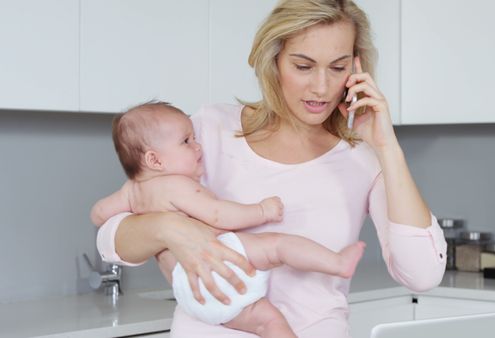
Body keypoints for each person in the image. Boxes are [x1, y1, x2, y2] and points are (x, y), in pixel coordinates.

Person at [95, 0, 447, 337]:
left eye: (338, 68)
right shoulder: (208, 132)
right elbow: (111, 240)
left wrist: (387, 147)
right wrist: (169, 228)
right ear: (273, 60)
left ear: (356, 69)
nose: (321, 87)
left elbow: (422, 274)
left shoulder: (364, 158)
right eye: (303, 66)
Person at [91, 101, 366, 337]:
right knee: (276, 247)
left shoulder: (131, 190)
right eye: (187, 142)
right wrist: (261, 210)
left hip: (196, 298)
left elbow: (100, 215)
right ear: (155, 160)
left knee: (263, 320)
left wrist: (143, 216)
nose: (197, 146)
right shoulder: (178, 185)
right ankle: (336, 262)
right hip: (222, 262)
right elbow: (218, 215)